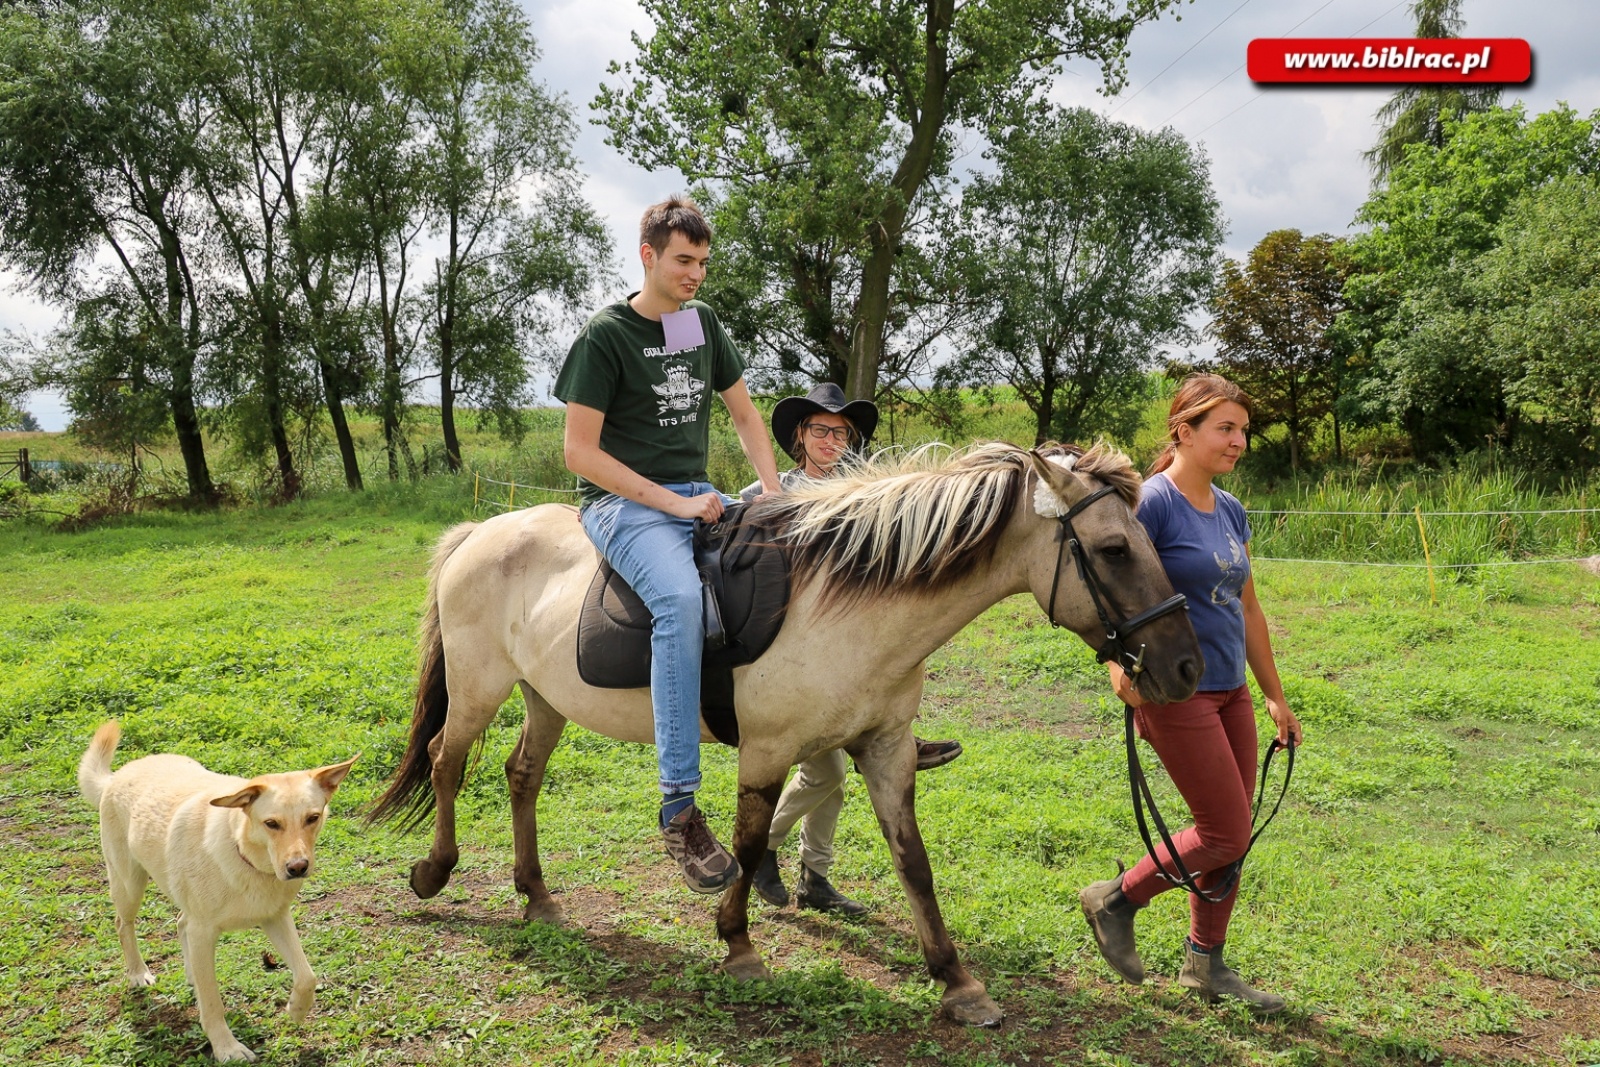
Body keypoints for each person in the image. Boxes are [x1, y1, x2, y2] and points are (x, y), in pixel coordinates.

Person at [554, 196, 782, 895]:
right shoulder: (606, 336)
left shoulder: (694, 324)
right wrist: (676, 502)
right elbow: (578, 454)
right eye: (684, 261)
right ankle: (678, 806)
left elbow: (743, 413)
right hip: (624, 505)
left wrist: (773, 493)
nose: (696, 275)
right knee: (682, 599)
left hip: (698, 491)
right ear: (647, 255)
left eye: (704, 263)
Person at [1077, 373, 1304, 1013]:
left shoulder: (1229, 509)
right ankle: (1116, 898)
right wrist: (1116, 666)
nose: (1239, 441)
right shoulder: (1152, 503)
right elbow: (1105, 585)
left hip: (1230, 687)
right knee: (1225, 831)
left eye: (1243, 431)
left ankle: (1205, 966)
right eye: (1226, 428)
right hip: (1175, 691)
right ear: (1185, 429)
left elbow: (1249, 607)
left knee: (1234, 831)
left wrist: (1274, 695)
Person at [737, 383, 963, 916]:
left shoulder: (866, 499)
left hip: (849, 657)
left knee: (829, 775)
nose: (831, 439)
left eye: (841, 432)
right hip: (790, 658)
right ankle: (771, 849)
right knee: (828, 775)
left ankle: (814, 876)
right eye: (821, 430)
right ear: (800, 435)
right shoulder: (771, 490)